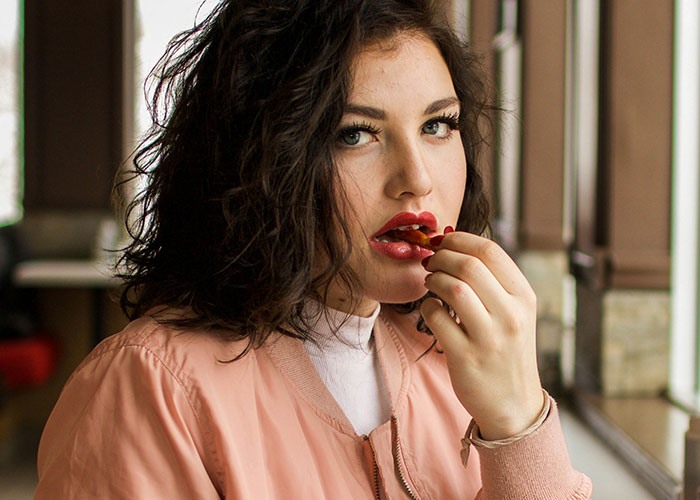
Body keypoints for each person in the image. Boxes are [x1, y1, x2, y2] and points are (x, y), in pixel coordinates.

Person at [35, 0, 592, 498]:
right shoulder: (154, 387)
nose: (417, 178)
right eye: (355, 134)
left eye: (439, 125)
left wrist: (519, 423)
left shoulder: (453, 365)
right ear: (264, 159)